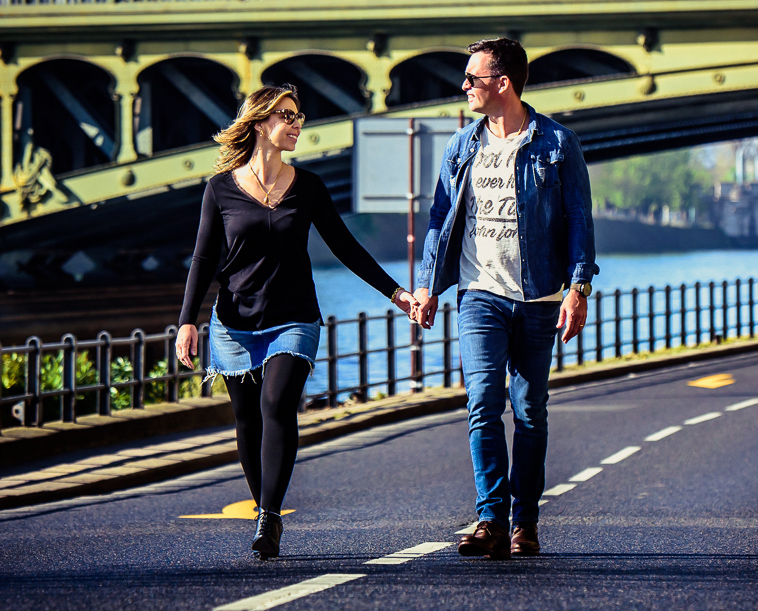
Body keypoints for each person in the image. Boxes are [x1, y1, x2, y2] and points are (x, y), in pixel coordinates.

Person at [175, 84, 419, 561]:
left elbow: (346, 247)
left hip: (294, 319)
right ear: (261, 122)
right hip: (233, 322)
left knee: (276, 403)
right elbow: (204, 258)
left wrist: (396, 292)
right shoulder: (220, 189)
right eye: (287, 115)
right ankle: (263, 506)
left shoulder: (308, 187)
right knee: (246, 420)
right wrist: (187, 321)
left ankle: (269, 518)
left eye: (299, 115)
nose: (297, 123)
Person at [414, 38, 599, 559]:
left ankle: (526, 522)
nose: (464, 87)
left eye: (472, 79)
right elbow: (438, 221)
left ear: (503, 83)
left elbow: (580, 220)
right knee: (482, 405)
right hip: (479, 296)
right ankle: (491, 519)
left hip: (540, 297)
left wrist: (579, 287)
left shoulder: (557, 144)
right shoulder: (461, 147)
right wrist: (427, 285)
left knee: (530, 411)